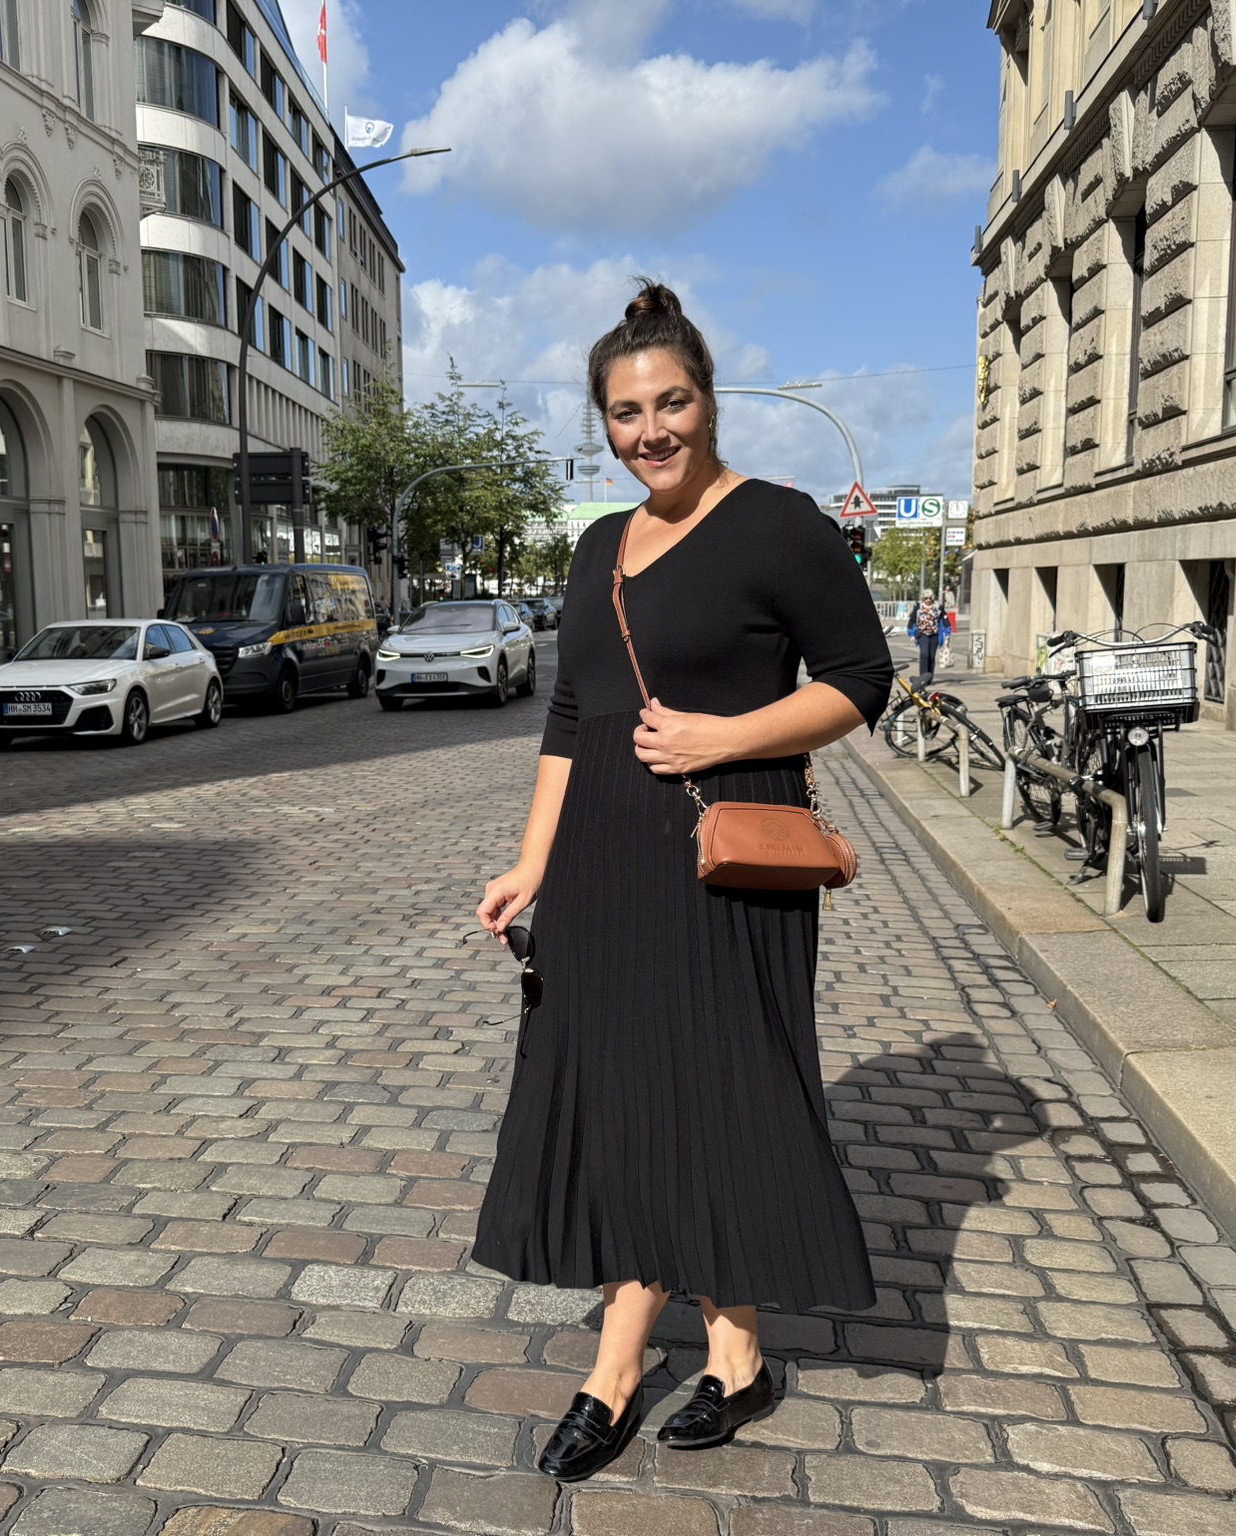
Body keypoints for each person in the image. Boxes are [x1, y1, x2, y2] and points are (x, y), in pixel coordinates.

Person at [473, 281, 896, 1483]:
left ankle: (652, 1365)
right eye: (624, 412)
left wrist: (726, 736)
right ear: (602, 421)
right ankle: (700, 1361)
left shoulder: (778, 524)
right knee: (621, 1100)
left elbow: (859, 678)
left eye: (670, 403)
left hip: (726, 858)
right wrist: (532, 862)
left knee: (718, 1092)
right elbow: (570, 716)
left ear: (708, 399)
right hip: (603, 864)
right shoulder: (596, 545)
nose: (649, 431)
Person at [907, 588, 954, 686]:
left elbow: (945, 620)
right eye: (926, 598)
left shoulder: (938, 607)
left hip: (935, 634)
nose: (928, 600)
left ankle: (929, 678)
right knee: (924, 654)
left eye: (930, 598)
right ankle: (923, 678)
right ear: (923, 598)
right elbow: (912, 621)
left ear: (933, 598)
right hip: (922, 634)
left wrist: (947, 634)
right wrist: (912, 634)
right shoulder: (918, 607)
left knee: (931, 657)